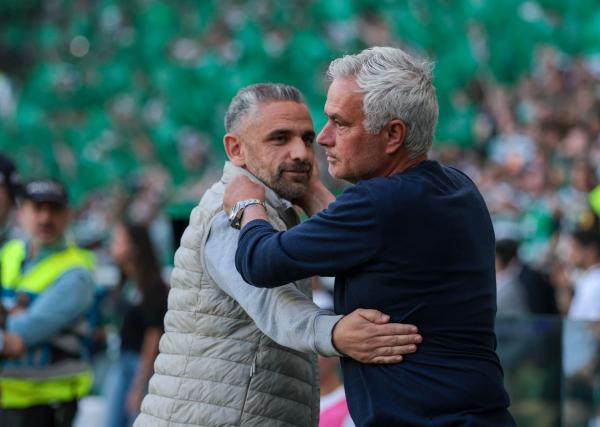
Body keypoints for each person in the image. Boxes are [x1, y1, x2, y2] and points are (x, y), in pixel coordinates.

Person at [226, 47, 514, 426]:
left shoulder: (380, 203)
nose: (324, 139)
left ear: (393, 134)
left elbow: (260, 261)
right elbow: (359, 240)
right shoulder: (456, 187)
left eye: (340, 123)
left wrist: (246, 204)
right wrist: (313, 191)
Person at [134, 83, 422, 427]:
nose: (301, 153)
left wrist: (313, 191)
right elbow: (272, 304)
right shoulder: (227, 211)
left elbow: (357, 252)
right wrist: (338, 333)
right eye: (280, 139)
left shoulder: (276, 208)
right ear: (236, 149)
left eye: (307, 139)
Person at [0, 179, 95, 427]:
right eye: (37, 208)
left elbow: (17, 339)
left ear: (68, 215)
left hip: (47, 406)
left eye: (54, 209)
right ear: (22, 213)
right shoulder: (8, 253)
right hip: (8, 400)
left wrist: (7, 321)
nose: (45, 218)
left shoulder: (76, 273)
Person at [103, 222, 168, 427]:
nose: (112, 247)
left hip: (139, 366)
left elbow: (152, 336)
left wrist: (139, 384)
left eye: (118, 241)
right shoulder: (125, 283)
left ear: (134, 248)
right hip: (120, 361)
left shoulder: (153, 286)